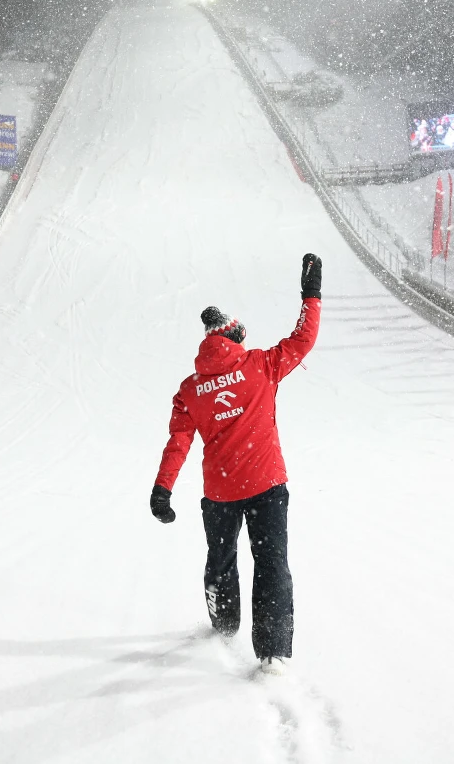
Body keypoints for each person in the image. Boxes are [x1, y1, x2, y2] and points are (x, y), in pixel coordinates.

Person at [150, 253, 323, 676]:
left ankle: (224, 623)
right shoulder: (260, 365)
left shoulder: (190, 390)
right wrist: (311, 296)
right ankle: (273, 653)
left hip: (221, 494)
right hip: (267, 486)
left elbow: (178, 441)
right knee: (271, 565)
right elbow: (302, 341)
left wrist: (162, 489)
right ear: (233, 338)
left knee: (221, 559)